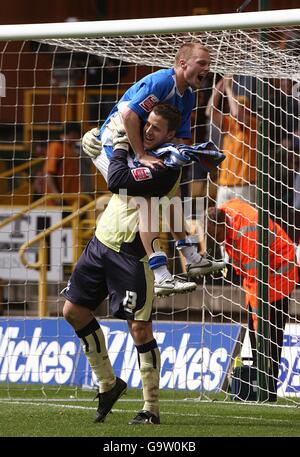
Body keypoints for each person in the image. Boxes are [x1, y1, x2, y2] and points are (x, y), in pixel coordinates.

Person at [62, 104, 206, 426]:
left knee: (139, 329)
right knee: (72, 311)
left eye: (156, 128)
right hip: (101, 241)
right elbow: (113, 168)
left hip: (132, 254)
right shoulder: (140, 152)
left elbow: (117, 179)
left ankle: (150, 408)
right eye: (147, 124)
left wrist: (121, 144)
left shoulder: (166, 166)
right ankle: (109, 384)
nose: (148, 130)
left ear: (170, 134)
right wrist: (98, 144)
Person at [82, 43, 224, 294]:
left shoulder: (188, 95)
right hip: (112, 145)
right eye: (202, 63)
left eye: (208, 64)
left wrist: (182, 157)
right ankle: (160, 274)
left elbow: (178, 137)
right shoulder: (161, 82)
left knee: (171, 186)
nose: (207, 68)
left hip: (133, 148)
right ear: (182, 64)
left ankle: (190, 255)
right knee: (147, 198)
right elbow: (128, 115)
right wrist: (142, 154)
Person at [206, 198, 298, 401]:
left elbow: (257, 286)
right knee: (255, 334)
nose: (219, 241)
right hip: (261, 274)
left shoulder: (249, 237)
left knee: (270, 332)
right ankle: (260, 382)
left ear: (224, 225)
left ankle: (268, 389)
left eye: (219, 236)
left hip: (280, 273)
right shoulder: (225, 212)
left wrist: (258, 322)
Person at [206, 76, 257, 207]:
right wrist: (220, 86)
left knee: (244, 226)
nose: (238, 109)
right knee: (221, 224)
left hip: (244, 185)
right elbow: (209, 111)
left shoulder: (253, 124)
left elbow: (237, 115)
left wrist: (228, 88)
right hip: (224, 184)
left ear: (247, 110)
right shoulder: (229, 123)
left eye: (241, 107)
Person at [43, 123, 82, 205]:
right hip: (58, 200)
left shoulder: (71, 149)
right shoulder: (56, 147)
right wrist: (56, 194)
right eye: (76, 135)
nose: (78, 138)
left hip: (71, 199)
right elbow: (48, 173)